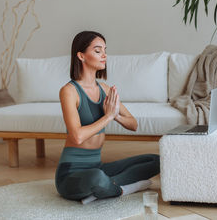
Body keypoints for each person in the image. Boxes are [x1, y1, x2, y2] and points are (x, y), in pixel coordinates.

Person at [55, 31, 160, 204]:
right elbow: (77, 136)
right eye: (97, 51)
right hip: (71, 174)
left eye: (105, 50)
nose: (104, 55)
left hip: (97, 166)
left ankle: (103, 188)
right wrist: (108, 116)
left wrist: (116, 115)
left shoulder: (104, 89)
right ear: (81, 56)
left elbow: (133, 124)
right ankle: (121, 189)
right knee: (96, 178)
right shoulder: (69, 91)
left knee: (156, 161)